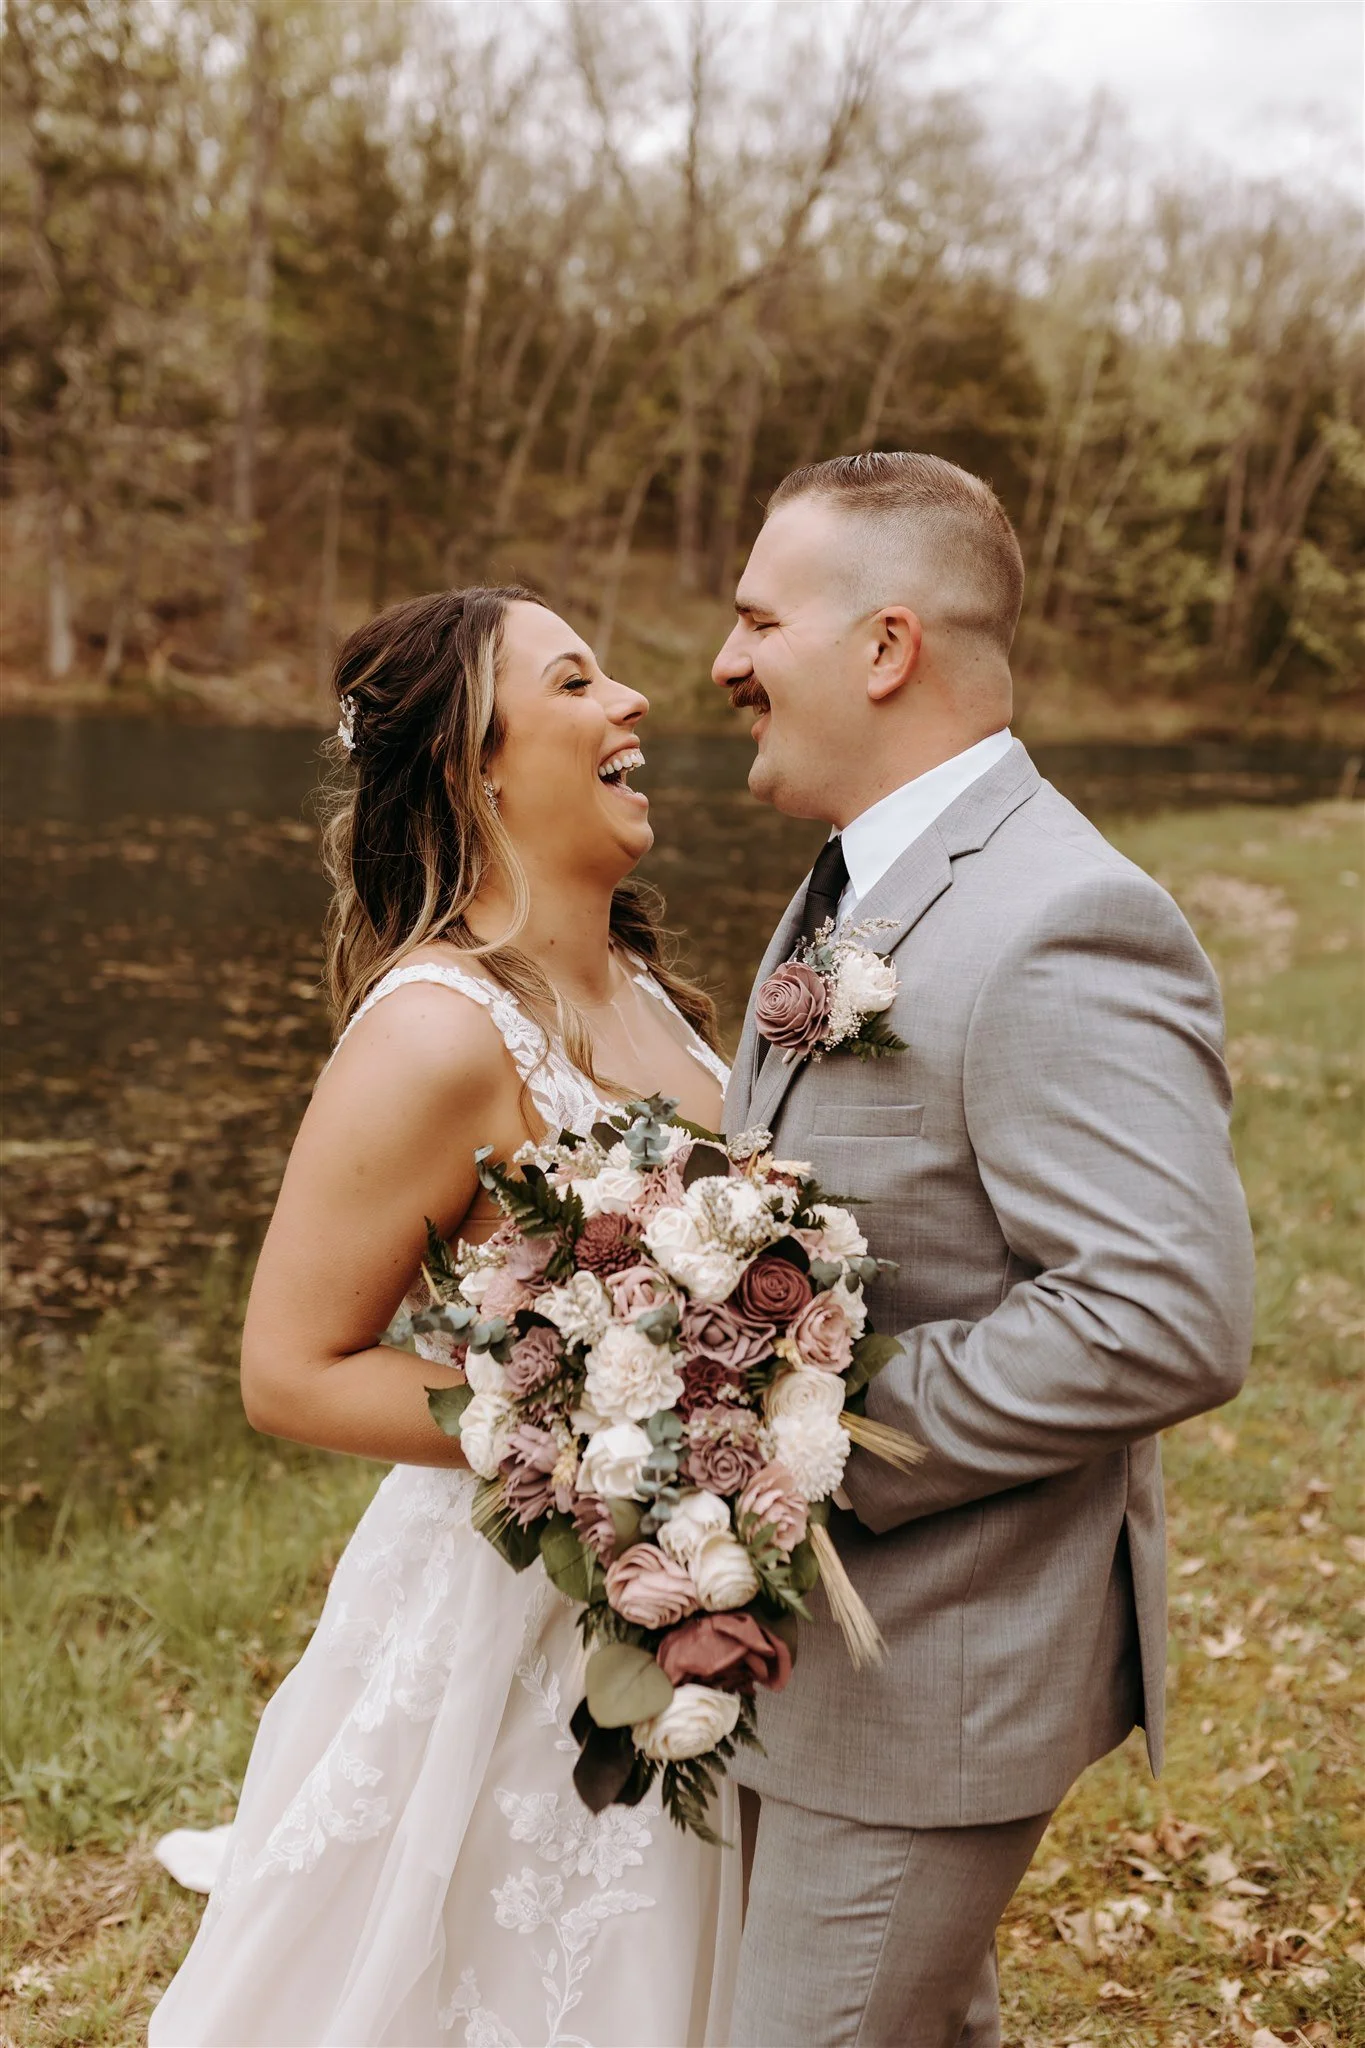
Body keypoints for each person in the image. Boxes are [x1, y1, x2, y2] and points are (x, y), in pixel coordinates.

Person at [714, 451, 1255, 2047]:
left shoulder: (1059, 918)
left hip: (933, 1674)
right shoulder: (860, 883)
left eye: (756, 620)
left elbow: (1165, 1315)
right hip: (815, 1666)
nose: (726, 663)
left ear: (886, 649)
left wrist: (811, 1435)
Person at [150, 586, 740, 2047]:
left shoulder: (657, 996)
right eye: (576, 681)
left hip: (698, 1588)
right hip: (521, 1600)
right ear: (480, 763)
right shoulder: (434, 1032)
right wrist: (583, 1440)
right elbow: (289, 1371)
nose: (634, 707)